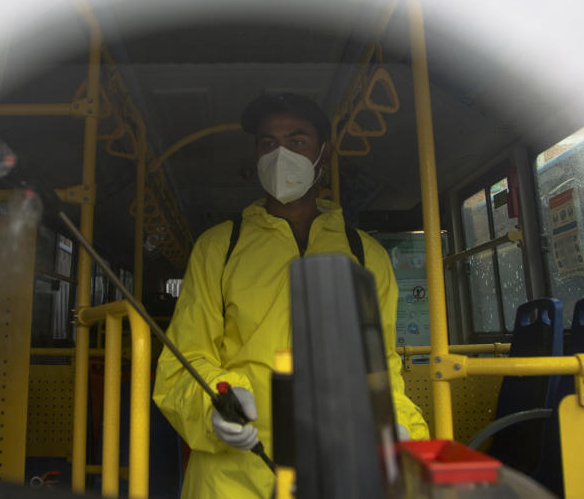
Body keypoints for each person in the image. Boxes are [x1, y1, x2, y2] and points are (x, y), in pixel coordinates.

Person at [153, 92, 429, 498]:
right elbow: (184, 359)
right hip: (233, 478)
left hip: (337, 472)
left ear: (324, 153)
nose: (280, 155)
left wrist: (400, 428)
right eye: (268, 143)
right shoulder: (219, 247)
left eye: (297, 140)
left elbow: (381, 367)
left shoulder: (364, 254)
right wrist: (217, 401)